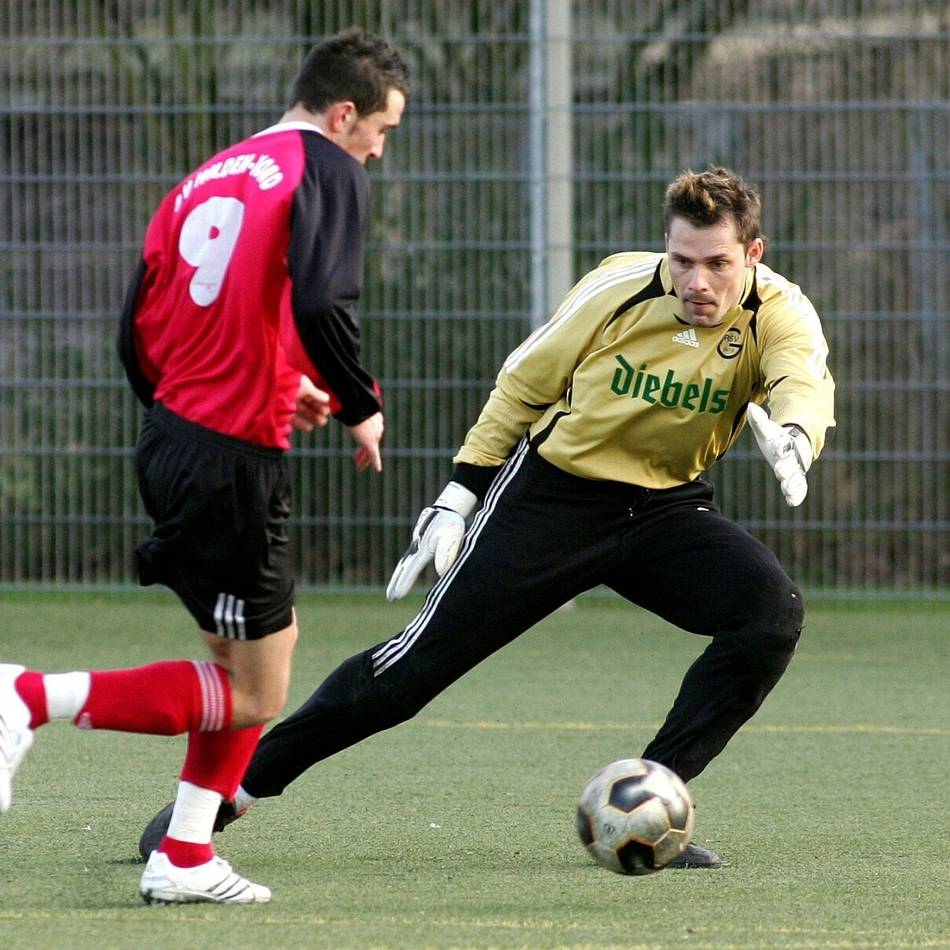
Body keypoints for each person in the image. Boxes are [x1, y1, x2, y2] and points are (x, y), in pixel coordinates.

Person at [138, 165, 835, 869]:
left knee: (769, 613)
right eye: (682, 260)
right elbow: (521, 388)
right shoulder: (617, 289)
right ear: (665, 249)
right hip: (554, 498)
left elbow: (799, 375)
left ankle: (652, 800)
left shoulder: (778, 310)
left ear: (753, 254)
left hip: (666, 509)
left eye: (717, 263)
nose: (697, 282)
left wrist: (798, 433)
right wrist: (457, 496)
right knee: (408, 675)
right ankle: (221, 797)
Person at [0, 28, 409, 904]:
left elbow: (137, 334)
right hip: (230, 461)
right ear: (345, 114)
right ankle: (27, 696)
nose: (378, 148)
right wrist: (357, 399)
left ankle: (184, 854)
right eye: (382, 129)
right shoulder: (327, 167)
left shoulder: (208, 175)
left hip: (178, 438)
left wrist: (249, 392)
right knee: (257, 692)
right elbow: (321, 294)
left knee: (251, 655)